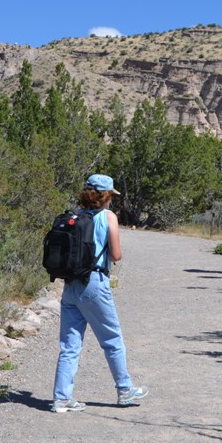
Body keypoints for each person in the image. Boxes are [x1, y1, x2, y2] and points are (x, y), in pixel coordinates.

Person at [51, 173, 149, 413]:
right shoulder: (108, 217)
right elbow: (116, 255)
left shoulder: (74, 215)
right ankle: (124, 390)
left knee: (69, 345)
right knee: (112, 340)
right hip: (94, 283)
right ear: (106, 196)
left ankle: (61, 399)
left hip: (71, 284)